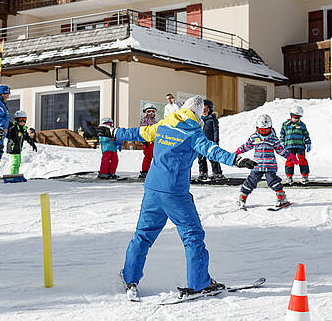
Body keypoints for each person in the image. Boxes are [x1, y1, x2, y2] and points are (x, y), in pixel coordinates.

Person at [97, 96, 256, 300]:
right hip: (175, 193)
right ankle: (199, 283)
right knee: (193, 236)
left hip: (153, 189)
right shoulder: (193, 133)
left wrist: (114, 132)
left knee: (143, 235)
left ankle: (130, 277)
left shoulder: (164, 124)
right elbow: (211, 150)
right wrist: (237, 159)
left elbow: (140, 133)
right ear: (197, 114)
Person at [236, 114, 297, 209]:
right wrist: (239, 151)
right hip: (257, 164)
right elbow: (247, 146)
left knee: (272, 181)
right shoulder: (254, 137)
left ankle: (281, 197)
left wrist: (289, 156)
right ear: (257, 128)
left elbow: (280, 149)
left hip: (270, 165)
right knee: (251, 181)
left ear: (270, 128)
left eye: (266, 130)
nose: (264, 132)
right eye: (261, 130)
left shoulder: (273, 139)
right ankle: (243, 196)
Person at [280, 105, 311, 184]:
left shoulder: (302, 125)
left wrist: (308, 143)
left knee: (302, 160)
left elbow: (306, 135)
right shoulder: (285, 124)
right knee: (290, 160)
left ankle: (305, 175)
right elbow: (282, 134)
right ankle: (289, 176)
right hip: (289, 146)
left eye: (297, 117)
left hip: (300, 146)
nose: (295, 119)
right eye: (293, 116)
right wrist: (282, 142)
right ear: (290, 115)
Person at [197, 100, 224, 181]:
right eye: (202, 110)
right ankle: (203, 172)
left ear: (210, 110)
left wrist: (216, 141)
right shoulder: (199, 119)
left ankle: (217, 172)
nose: (204, 112)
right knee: (201, 158)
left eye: (206, 110)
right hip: (201, 142)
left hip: (210, 142)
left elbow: (216, 130)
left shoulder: (212, 119)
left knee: (213, 157)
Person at [6, 110, 37, 175]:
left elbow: (27, 138)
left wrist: (33, 144)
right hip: (13, 147)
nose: (22, 121)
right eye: (20, 119)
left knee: (18, 163)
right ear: (17, 120)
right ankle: (12, 175)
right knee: (15, 163)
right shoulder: (13, 128)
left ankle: (15, 175)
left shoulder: (23, 129)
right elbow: (8, 135)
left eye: (24, 119)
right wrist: (10, 130)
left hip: (18, 149)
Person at [139, 103, 157, 179]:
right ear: (145, 112)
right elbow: (141, 131)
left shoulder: (156, 122)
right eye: (149, 111)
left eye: (153, 112)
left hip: (154, 141)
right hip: (147, 142)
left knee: (156, 156)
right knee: (148, 156)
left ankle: (153, 171)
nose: (151, 113)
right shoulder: (144, 121)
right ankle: (145, 171)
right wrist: (143, 141)